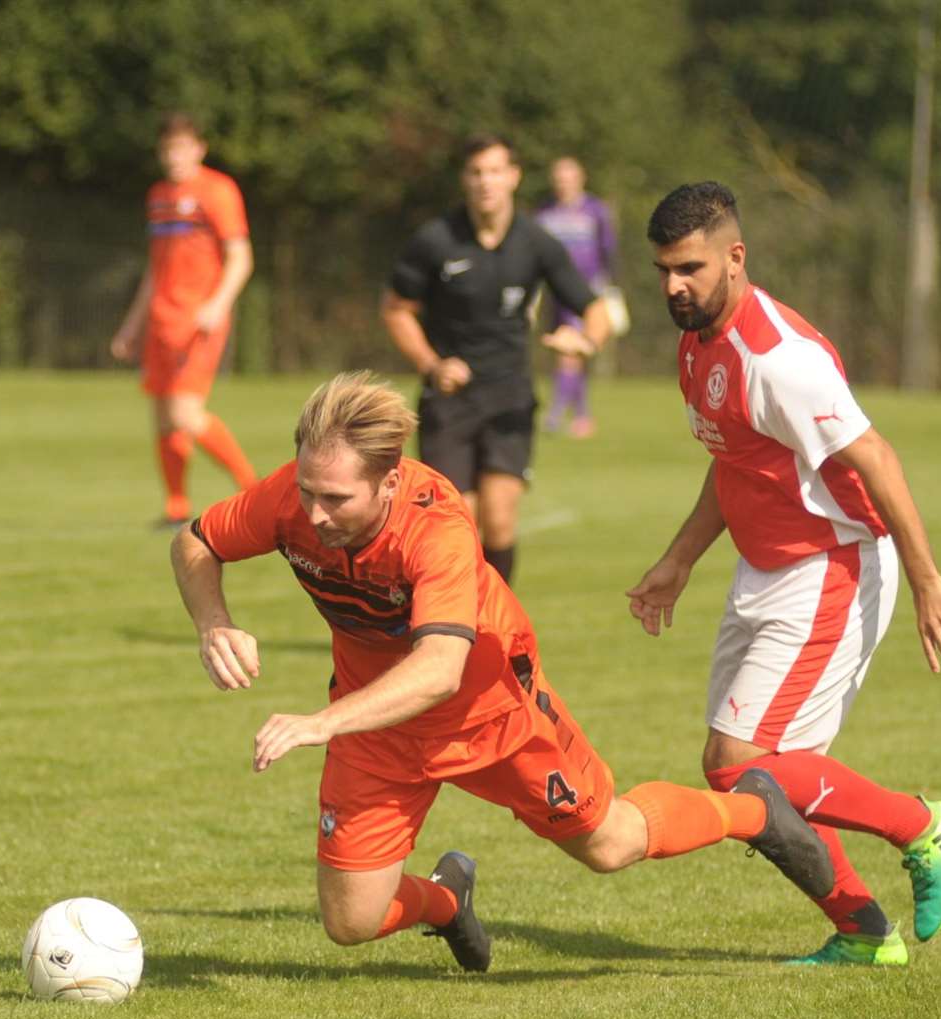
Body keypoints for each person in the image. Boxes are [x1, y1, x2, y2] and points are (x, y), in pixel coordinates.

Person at [171, 371, 834, 972]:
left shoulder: (437, 532)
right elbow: (197, 540)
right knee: (350, 922)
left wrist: (321, 723)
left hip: (492, 714)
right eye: (308, 491)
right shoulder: (291, 497)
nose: (314, 516)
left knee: (610, 845)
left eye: (336, 500)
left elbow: (439, 670)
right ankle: (447, 903)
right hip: (379, 724)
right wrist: (214, 624)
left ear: (391, 481)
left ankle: (750, 810)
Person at [627, 182, 941, 967]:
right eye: (661, 270)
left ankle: (924, 826)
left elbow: (877, 459)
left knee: (741, 764)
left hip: (832, 566)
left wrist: (927, 582)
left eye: (687, 268)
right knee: (758, 780)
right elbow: (735, 465)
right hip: (766, 569)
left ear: (734, 257)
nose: (671, 286)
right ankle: (861, 933)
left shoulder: (778, 360)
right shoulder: (696, 345)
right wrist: (678, 560)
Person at [381, 134, 610, 585]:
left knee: (500, 518)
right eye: (476, 172)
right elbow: (395, 310)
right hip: (449, 400)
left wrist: (585, 342)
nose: (486, 181)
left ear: (513, 176)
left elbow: (595, 309)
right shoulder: (435, 240)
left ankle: (495, 625)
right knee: (457, 523)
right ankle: (453, 622)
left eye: (495, 171)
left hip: (510, 397)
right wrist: (432, 365)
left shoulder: (536, 242)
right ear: (464, 180)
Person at [111, 112, 257, 528]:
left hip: (198, 321)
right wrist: (132, 325)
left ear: (199, 148)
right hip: (162, 320)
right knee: (161, 415)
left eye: (182, 147)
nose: (174, 156)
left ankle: (252, 487)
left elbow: (241, 258)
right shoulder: (158, 196)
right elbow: (155, 270)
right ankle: (176, 507)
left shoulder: (218, 190)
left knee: (185, 414)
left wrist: (217, 303)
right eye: (167, 149)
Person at [534, 156, 618, 439]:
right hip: (554, 293)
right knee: (571, 353)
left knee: (570, 353)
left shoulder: (595, 210)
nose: (563, 183)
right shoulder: (544, 213)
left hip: (586, 293)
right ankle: (582, 416)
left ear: (581, 178)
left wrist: (607, 288)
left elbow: (607, 249)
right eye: (558, 178)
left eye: (568, 178)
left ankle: (556, 415)